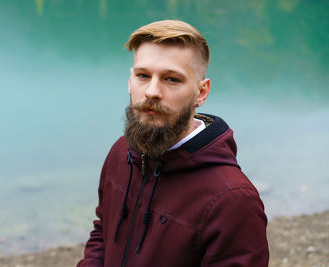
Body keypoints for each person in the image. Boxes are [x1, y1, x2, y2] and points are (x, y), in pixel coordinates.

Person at [77, 20, 269, 267]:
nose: (152, 92)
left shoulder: (232, 200)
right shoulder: (121, 152)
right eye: (143, 76)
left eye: (172, 79)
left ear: (201, 92)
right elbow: (103, 231)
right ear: (130, 81)